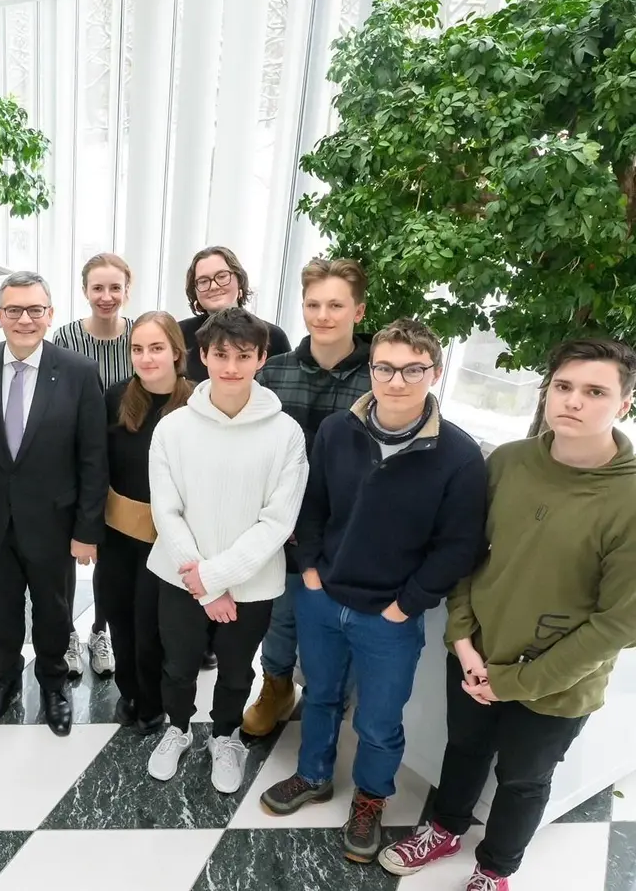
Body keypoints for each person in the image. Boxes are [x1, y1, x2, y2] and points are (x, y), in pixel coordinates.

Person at [378, 338, 636, 891]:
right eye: (563, 387)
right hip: (477, 657)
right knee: (465, 748)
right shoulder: (509, 461)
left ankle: (495, 869)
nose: (573, 401)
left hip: (557, 685)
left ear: (624, 405)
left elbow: (619, 624)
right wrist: (464, 641)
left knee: (523, 778)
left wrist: (516, 682)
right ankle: (445, 828)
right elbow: (468, 552)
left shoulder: (630, 498)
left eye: (595, 392)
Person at [259, 318, 488, 864]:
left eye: (414, 369)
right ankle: (313, 774)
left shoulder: (458, 455)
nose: (397, 380)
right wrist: (310, 569)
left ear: (435, 372)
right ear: (371, 369)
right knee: (319, 695)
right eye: (385, 367)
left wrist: (403, 606)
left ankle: (370, 798)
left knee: (379, 720)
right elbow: (311, 506)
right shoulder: (339, 431)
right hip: (322, 596)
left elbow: (458, 547)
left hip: (389, 616)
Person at [144, 308, 306, 793]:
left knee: (237, 671)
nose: (231, 367)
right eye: (221, 355)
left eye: (243, 356)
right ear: (202, 356)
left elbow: (278, 520)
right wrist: (201, 581)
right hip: (179, 576)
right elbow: (166, 511)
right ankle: (177, 728)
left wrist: (215, 578)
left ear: (262, 358)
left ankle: (225, 735)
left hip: (251, 583)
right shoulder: (173, 428)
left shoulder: (285, 433)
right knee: (177, 665)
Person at [0, 271, 109, 737]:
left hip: (54, 521)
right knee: (1, 607)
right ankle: (5, 678)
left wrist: (87, 529)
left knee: (54, 608)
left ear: (50, 315)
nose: (24, 319)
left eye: (35, 309)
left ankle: (54, 682)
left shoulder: (78, 372)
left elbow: (93, 457)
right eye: (14, 310)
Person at [244, 257, 375, 738]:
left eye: (335, 305)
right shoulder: (274, 372)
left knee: (337, 627)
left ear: (357, 312)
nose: (323, 315)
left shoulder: (378, 379)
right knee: (279, 616)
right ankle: (275, 686)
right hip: (282, 524)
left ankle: (329, 702)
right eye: (313, 304)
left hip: (347, 530)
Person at [94, 313, 194, 737]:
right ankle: (129, 692)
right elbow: (96, 465)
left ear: (176, 351)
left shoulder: (197, 403)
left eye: (156, 348)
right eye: (138, 348)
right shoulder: (116, 397)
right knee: (120, 615)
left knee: (154, 625)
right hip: (119, 533)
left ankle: (154, 702)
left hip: (170, 538)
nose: (147, 357)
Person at [53, 252, 138, 678]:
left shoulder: (140, 334)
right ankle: (67, 631)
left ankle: (99, 630)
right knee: (69, 546)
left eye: (115, 288)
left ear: (127, 289)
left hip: (126, 459)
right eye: (98, 288)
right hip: (74, 458)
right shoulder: (66, 337)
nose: (106, 296)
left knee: (112, 551)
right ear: (85, 290)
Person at [177, 246, 292, 383]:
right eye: (203, 281)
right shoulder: (179, 334)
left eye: (222, 276)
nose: (213, 286)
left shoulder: (273, 337)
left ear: (239, 281)